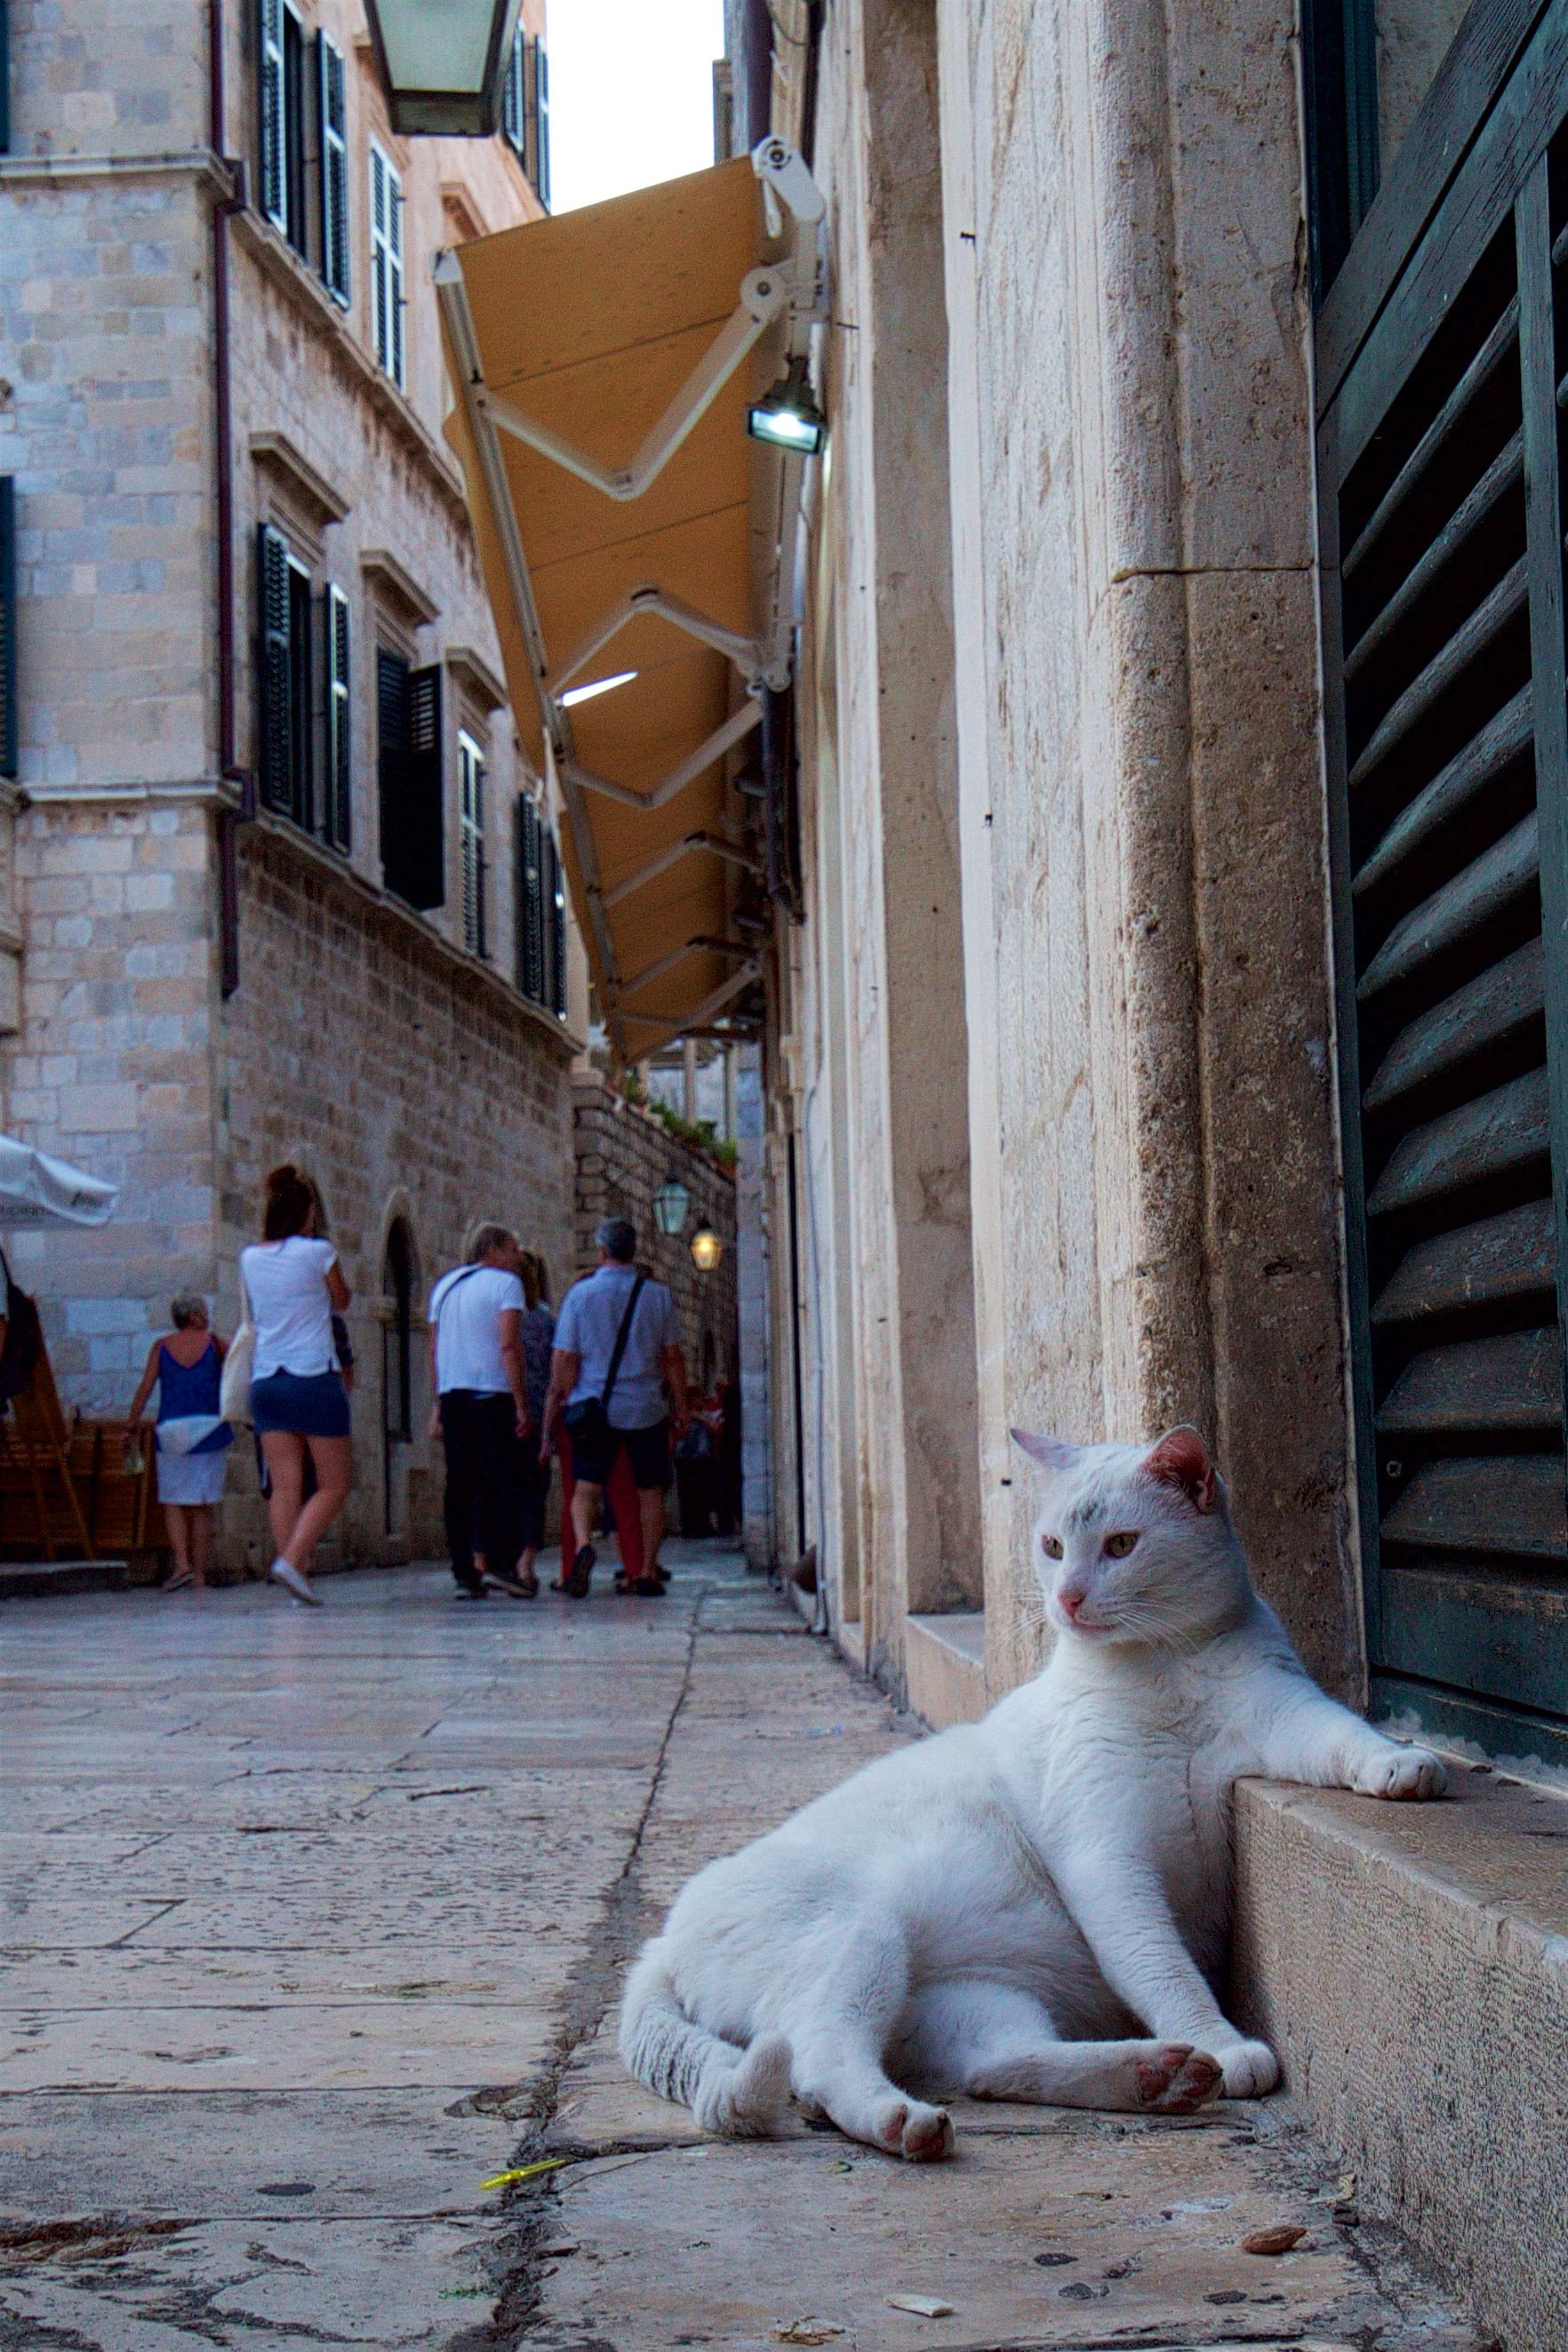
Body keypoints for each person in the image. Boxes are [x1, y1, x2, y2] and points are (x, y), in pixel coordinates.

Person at [541, 1217, 688, 1600]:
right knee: (649, 1491)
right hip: (646, 1407)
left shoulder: (580, 1295)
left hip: (595, 1407)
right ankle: (646, 1571)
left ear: (602, 1250)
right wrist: (681, 1405)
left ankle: (583, 1544)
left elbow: (565, 1357)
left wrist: (561, 1395)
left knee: (586, 1488)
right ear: (633, 1250)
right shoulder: (657, 1296)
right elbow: (672, 1356)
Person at [242, 1164, 353, 1607]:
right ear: (305, 1214)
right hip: (313, 1376)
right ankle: (291, 1560)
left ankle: (297, 1576)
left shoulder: (250, 1257)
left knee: (284, 1484)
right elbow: (342, 1300)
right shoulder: (318, 1252)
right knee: (334, 1483)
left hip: (267, 1380)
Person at [427, 1223, 530, 1601]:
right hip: (493, 1393)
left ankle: (464, 1571)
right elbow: (509, 1345)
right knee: (502, 1479)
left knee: (460, 1483)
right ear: (493, 1250)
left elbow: (434, 1348)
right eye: (513, 1249)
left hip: (454, 1394)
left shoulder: (445, 1286)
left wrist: (437, 1403)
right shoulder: (507, 1285)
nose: (519, 1257)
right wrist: (521, 1402)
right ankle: (501, 1564)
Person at [122, 1292, 233, 1593]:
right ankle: (199, 1575)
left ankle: (182, 1564)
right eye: (203, 1312)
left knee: (172, 1500)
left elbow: (146, 1386)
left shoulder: (161, 1347)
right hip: (210, 1430)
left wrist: (131, 1425)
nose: (207, 1317)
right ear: (194, 1316)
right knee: (202, 1506)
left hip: (172, 1431)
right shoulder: (216, 1344)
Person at [502, 1248, 556, 1599]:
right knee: (534, 1490)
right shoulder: (546, 1321)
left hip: (502, 1410)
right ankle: (525, 1563)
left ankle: (499, 1560)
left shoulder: (500, 1317)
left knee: (505, 1488)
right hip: (537, 1414)